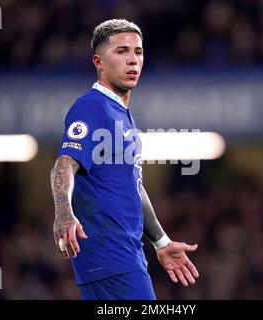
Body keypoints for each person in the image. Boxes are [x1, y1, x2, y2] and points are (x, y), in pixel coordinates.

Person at [50, 19, 199, 300]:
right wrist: (63, 212)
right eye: (121, 52)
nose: (133, 60)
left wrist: (161, 241)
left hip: (123, 256)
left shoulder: (122, 115)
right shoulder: (92, 107)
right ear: (99, 62)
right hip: (111, 257)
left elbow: (133, 185)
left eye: (138, 52)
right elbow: (64, 162)